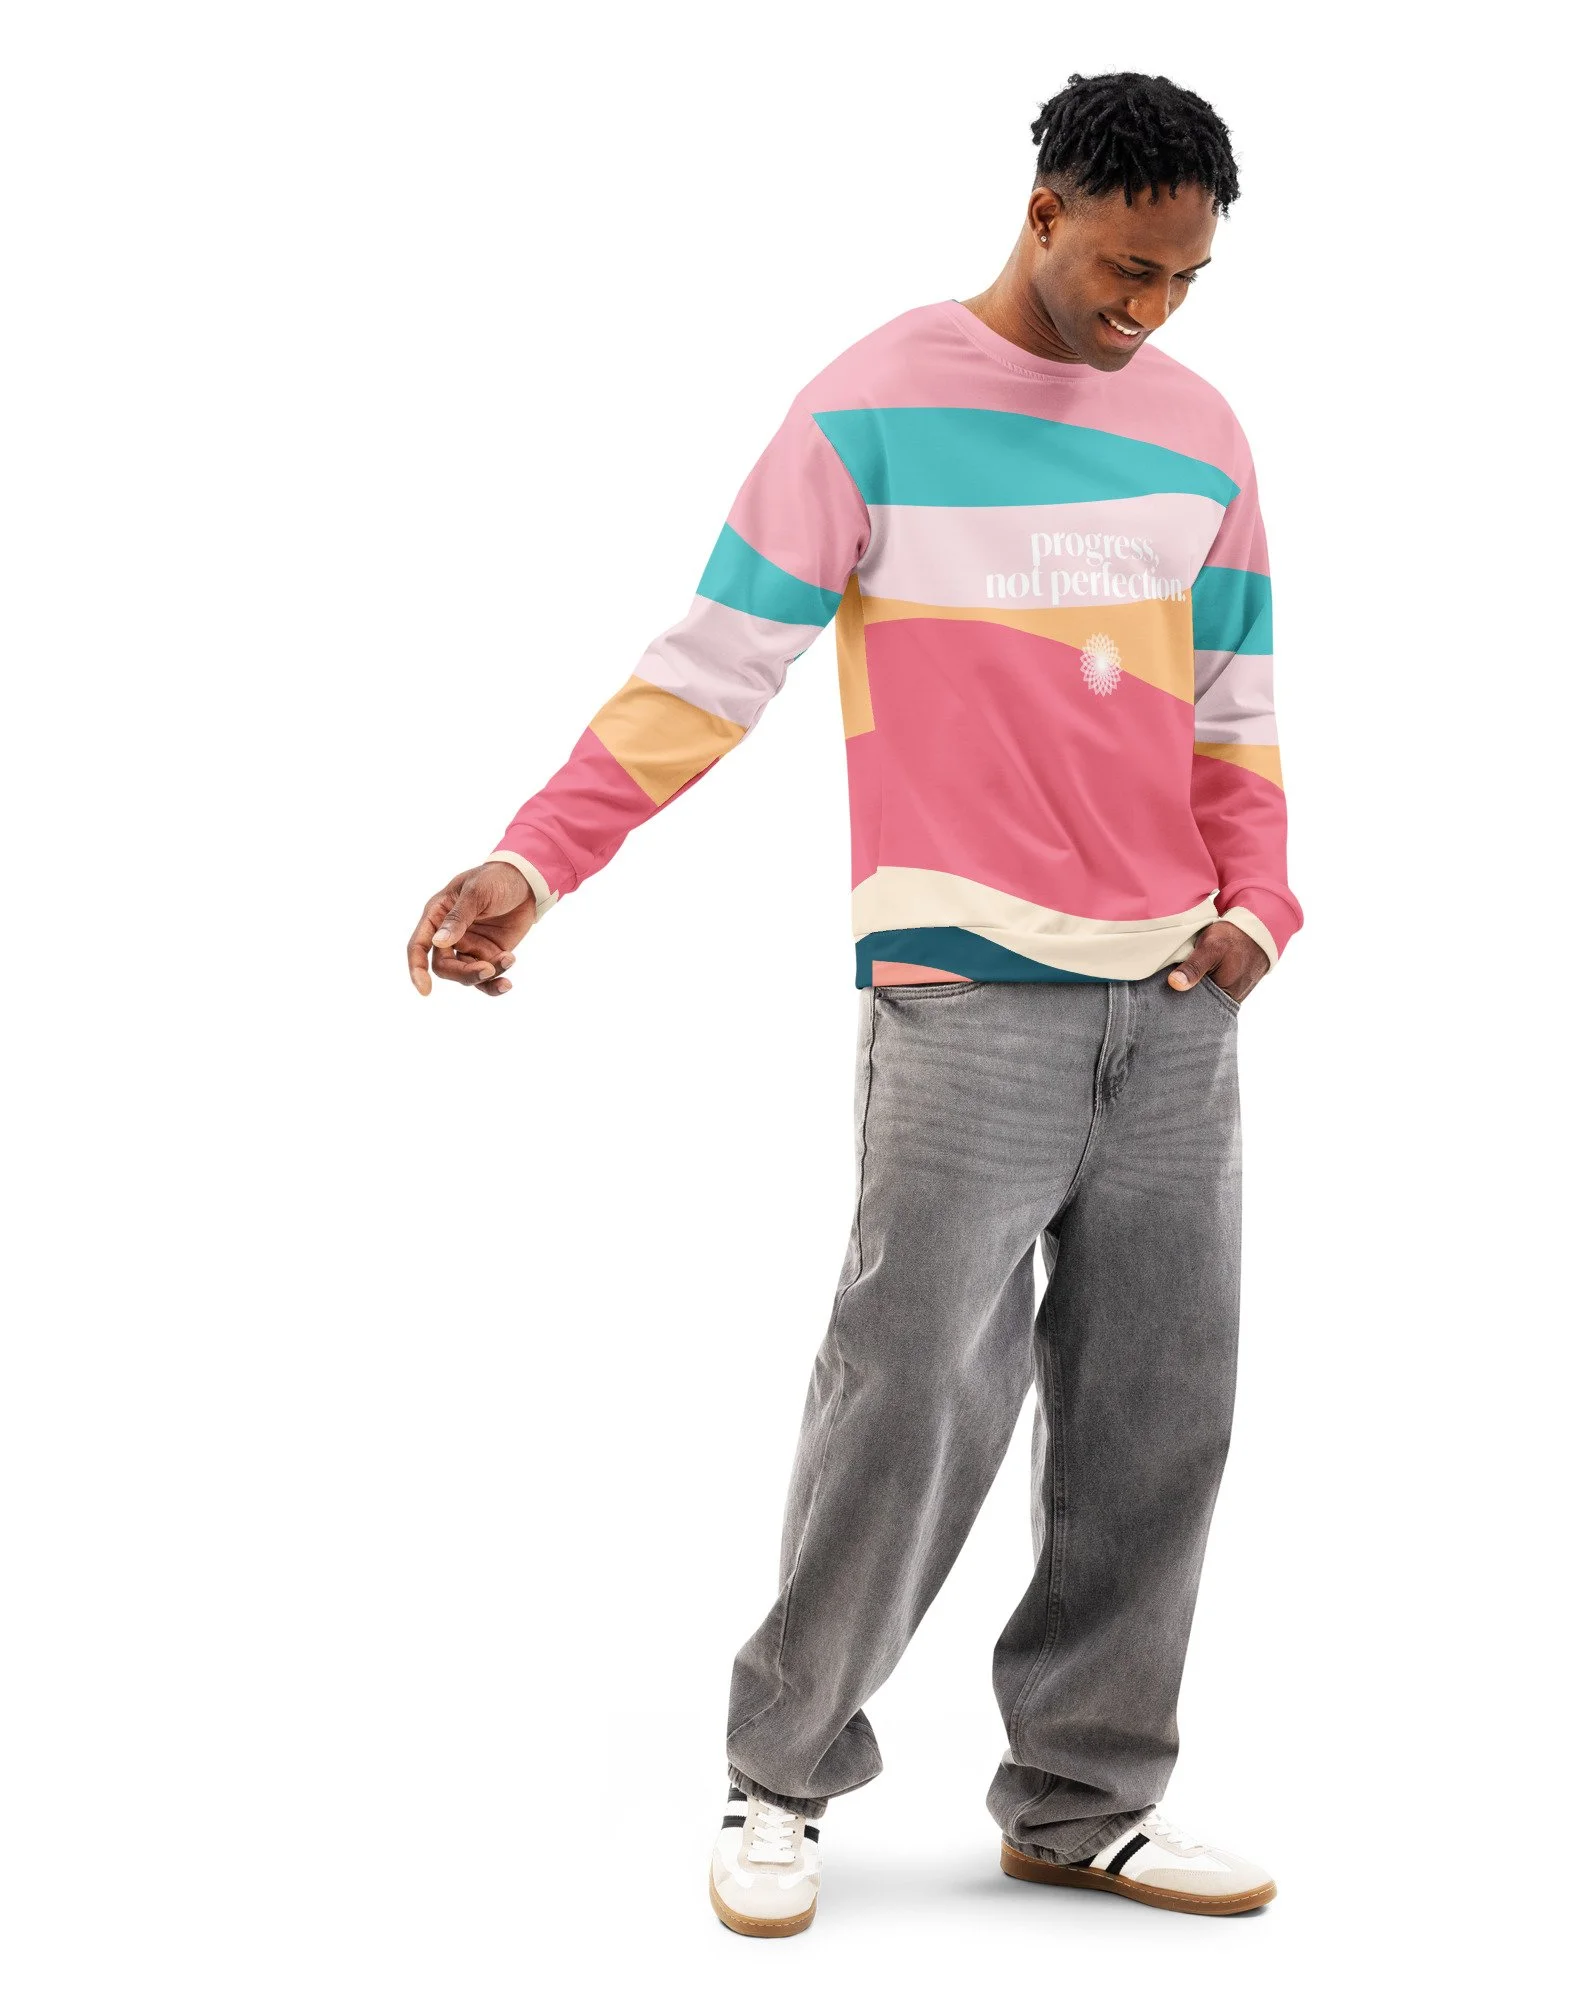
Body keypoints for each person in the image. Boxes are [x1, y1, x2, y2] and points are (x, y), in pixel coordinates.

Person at [404, 70, 1302, 1936]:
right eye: (1127, 268)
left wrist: (1259, 915)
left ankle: (1083, 1800)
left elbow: (1235, 711)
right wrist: (535, 861)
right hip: (964, 998)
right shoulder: (873, 403)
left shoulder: (1203, 431)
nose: (1149, 312)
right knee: (906, 1400)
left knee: (1160, 1417)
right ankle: (782, 1772)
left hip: (1175, 1003)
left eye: (1185, 282)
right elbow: (712, 664)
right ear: (1044, 209)